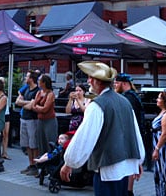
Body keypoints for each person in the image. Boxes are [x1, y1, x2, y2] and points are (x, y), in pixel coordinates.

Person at [60, 61, 145, 196]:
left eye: (90, 78)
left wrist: (69, 162)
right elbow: (134, 133)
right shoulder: (125, 102)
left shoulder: (97, 105)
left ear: (96, 81)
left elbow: (85, 137)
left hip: (108, 169)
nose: (88, 81)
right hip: (125, 169)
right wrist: (138, 160)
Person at [114, 73, 145, 196]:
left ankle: (128, 191)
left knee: (128, 163)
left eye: (117, 83)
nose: (115, 85)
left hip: (129, 134)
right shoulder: (131, 96)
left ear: (124, 84)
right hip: (130, 134)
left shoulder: (128, 98)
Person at [15, 69, 41, 176]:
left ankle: (35, 165)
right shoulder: (26, 89)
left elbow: (32, 106)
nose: (25, 78)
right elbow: (17, 101)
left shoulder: (37, 91)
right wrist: (27, 103)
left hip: (32, 120)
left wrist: (24, 103)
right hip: (24, 118)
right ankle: (30, 164)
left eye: (27, 76)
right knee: (27, 144)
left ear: (31, 79)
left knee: (33, 143)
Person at [31, 74, 58, 157]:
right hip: (40, 121)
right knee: (41, 142)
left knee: (49, 142)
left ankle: (51, 162)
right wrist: (38, 107)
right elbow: (33, 106)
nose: (38, 82)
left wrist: (37, 107)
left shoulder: (50, 94)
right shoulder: (39, 93)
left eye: (39, 80)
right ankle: (42, 164)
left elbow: (45, 109)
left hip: (49, 121)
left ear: (44, 83)